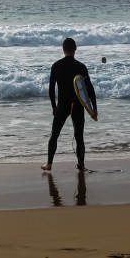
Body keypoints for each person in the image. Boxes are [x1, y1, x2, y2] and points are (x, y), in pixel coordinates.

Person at [41, 37, 96, 172]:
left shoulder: (56, 66)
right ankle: (81, 165)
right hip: (77, 105)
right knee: (79, 137)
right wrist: (94, 108)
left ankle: (49, 164)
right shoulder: (81, 67)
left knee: (54, 135)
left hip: (62, 105)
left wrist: (54, 106)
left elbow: (51, 89)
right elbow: (89, 88)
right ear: (75, 48)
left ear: (63, 49)